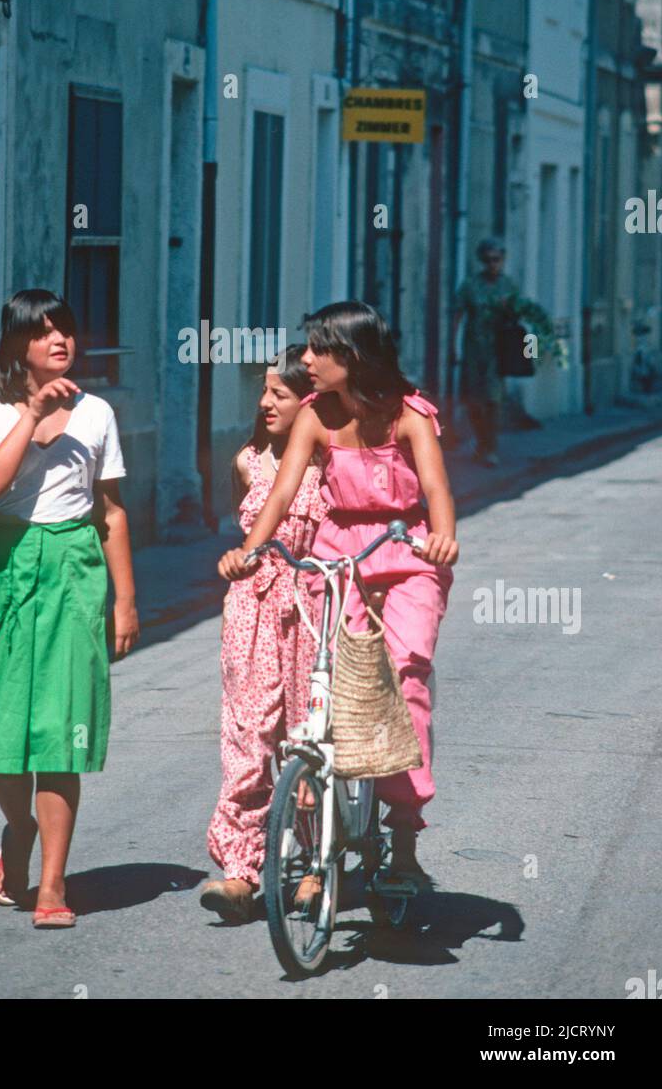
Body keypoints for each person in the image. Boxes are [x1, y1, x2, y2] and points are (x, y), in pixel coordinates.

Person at [219, 301, 458, 890]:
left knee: (402, 677)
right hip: (337, 556)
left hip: (405, 553)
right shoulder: (315, 414)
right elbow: (279, 494)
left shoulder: (409, 414)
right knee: (326, 687)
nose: (306, 360)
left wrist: (445, 537)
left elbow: (436, 488)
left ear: (350, 357)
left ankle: (404, 831)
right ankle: (322, 829)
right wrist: (251, 549)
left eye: (316, 350)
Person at [0, 289, 139, 930]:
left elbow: (111, 511)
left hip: (74, 568)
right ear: (19, 346)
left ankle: (53, 884)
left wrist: (125, 600)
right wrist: (31, 416)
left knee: (63, 730)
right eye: (42, 333)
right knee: (3, 735)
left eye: (64, 327)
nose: (59, 340)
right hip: (6, 568)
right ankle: (19, 827)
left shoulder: (96, 414)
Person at [201, 347, 326, 924]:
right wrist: (238, 561)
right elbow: (245, 531)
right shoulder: (249, 461)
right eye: (264, 391)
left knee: (312, 739)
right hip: (253, 610)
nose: (264, 402)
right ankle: (241, 871)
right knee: (248, 739)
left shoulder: (331, 464)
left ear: (311, 399)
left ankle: (319, 866)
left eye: (278, 392)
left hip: (313, 609)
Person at [453, 238, 519, 467]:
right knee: (473, 401)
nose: (493, 264)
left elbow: (518, 318)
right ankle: (480, 442)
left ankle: (490, 447)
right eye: (489, 260)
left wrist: (508, 309)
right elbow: (458, 315)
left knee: (493, 400)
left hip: (496, 352)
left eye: (497, 260)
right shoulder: (470, 285)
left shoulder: (508, 285)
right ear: (482, 261)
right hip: (473, 350)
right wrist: (453, 346)